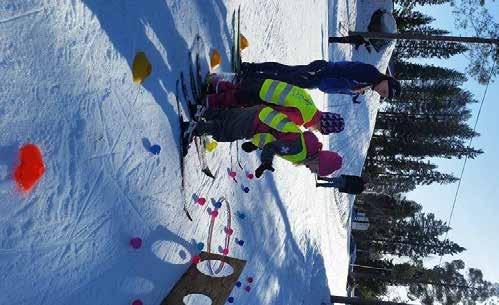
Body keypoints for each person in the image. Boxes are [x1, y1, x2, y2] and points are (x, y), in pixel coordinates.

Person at [184, 105, 343, 178]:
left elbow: (277, 137)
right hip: (258, 122)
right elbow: (273, 146)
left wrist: (254, 145)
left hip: (263, 115)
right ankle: (195, 128)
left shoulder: (307, 146)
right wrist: (266, 162)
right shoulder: (299, 151)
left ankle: (203, 111)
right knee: (226, 131)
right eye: (316, 170)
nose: (312, 171)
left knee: (229, 117)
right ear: (319, 161)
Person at [201, 75, 345, 135]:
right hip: (263, 97)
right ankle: (206, 103)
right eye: (319, 130)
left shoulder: (309, 103)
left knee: (237, 90)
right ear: (321, 123)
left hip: (267, 85)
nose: (315, 131)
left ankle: (215, 85)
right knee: (234, 99)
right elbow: (275, 115)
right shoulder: (302, 117)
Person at [239, 60, 401, 103]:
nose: (381, 93)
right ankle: (252, 70)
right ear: (387, 80)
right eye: (385, 90)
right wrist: (320, 69)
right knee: (285, 75)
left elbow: (341, 86)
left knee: (286, 75)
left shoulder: (367, 86)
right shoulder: (370, 73)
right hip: (320, 72)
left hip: (318, 82)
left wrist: (352, 92)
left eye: (384, 95)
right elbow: (343, 68)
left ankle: (253, 74)